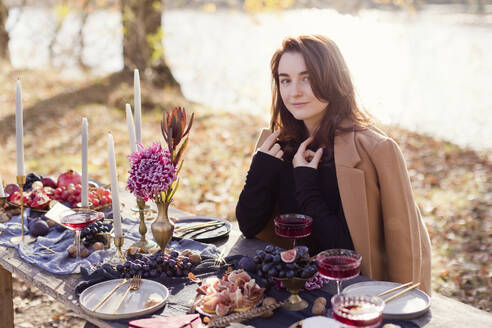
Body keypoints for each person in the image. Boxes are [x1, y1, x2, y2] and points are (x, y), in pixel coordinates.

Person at [235, 35, 431, 294]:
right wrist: (261, 169)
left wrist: (306, 186)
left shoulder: (376, 151)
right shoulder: (277, 144)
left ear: (333, 79)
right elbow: (249, 226)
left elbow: (365, 253)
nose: (294, 92)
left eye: (307, 78)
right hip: (287, 289)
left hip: (352, 295)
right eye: (286, 80)